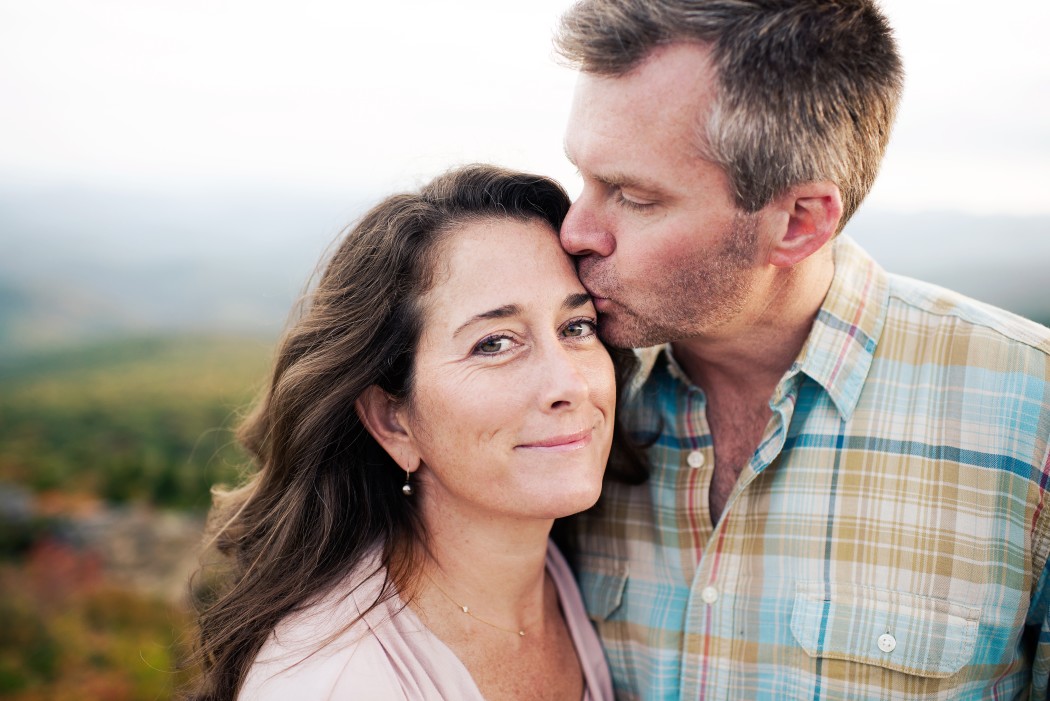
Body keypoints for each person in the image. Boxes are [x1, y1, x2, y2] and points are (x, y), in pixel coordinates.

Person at [553, 1, 1050, 699]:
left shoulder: (1033, 416)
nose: (575, 231)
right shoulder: (561, 409)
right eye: (583, 176)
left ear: (797, 223)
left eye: (632, 195)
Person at [186, 164, 644, 700]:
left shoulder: (569, 576)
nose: (568, 383)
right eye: (495, 343)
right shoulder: (334, 683)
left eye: (577, 328)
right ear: (392, 419)